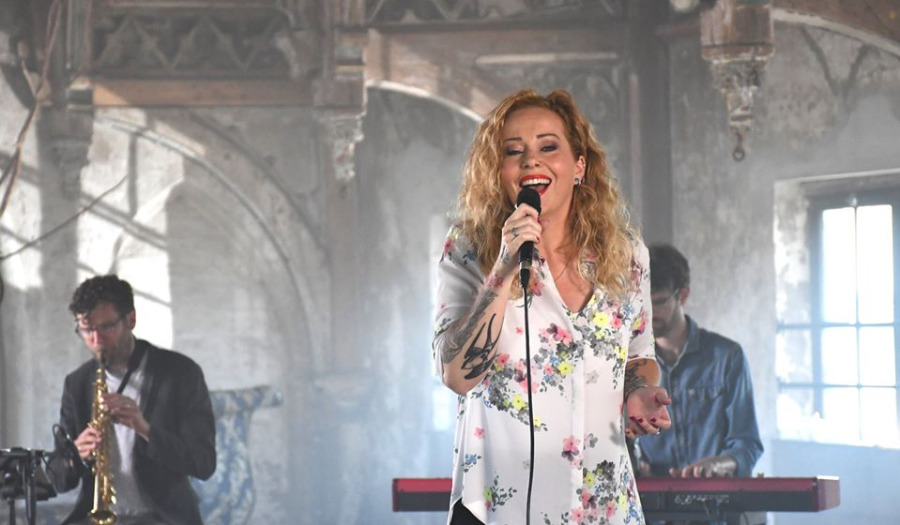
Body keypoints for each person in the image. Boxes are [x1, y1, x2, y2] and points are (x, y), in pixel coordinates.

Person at [433, 88, 672, 525]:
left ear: (579, 165)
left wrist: (638, 392)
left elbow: (638, 355)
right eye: (513, 151)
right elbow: (456, 374)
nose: (531, 161)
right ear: (499, 171)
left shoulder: (626, 254)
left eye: (548, 147)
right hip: (499, 509)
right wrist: (505, 266)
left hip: (603, 507)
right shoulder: (469, 248)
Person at [47, 275, 216, 525]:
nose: (96, 340)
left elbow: (203, 463)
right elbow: (58, 479)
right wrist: (76, 454)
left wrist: (146, 430)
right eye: (87, 330)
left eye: (106, 327)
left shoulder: (181, 373)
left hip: (163, 519)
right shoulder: (77, 383)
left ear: (131, 319)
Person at [635, 244, 763, 479]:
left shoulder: (726, 358)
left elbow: (747, 445)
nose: (649, 313)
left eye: (659, 302)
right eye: (642, 304)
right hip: (652, 501)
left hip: (717, 498)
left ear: (683, 295)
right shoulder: (631, 364)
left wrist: (719, 465)